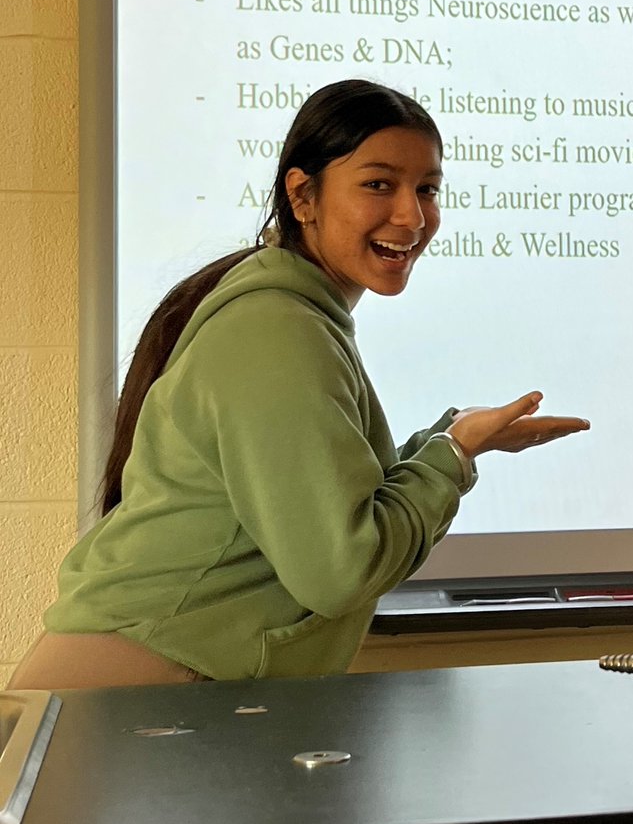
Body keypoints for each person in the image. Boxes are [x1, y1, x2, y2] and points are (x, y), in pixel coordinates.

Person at [8, 79, 589, 689]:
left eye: (427, 189)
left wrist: (452, 441)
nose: (412, 217)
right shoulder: (278, 329)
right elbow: (340, 570)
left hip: (159, 680)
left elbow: (328, 505)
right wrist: (453, 453)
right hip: (135, 690)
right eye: (378, 184)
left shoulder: (293, 316)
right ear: (303, 194)